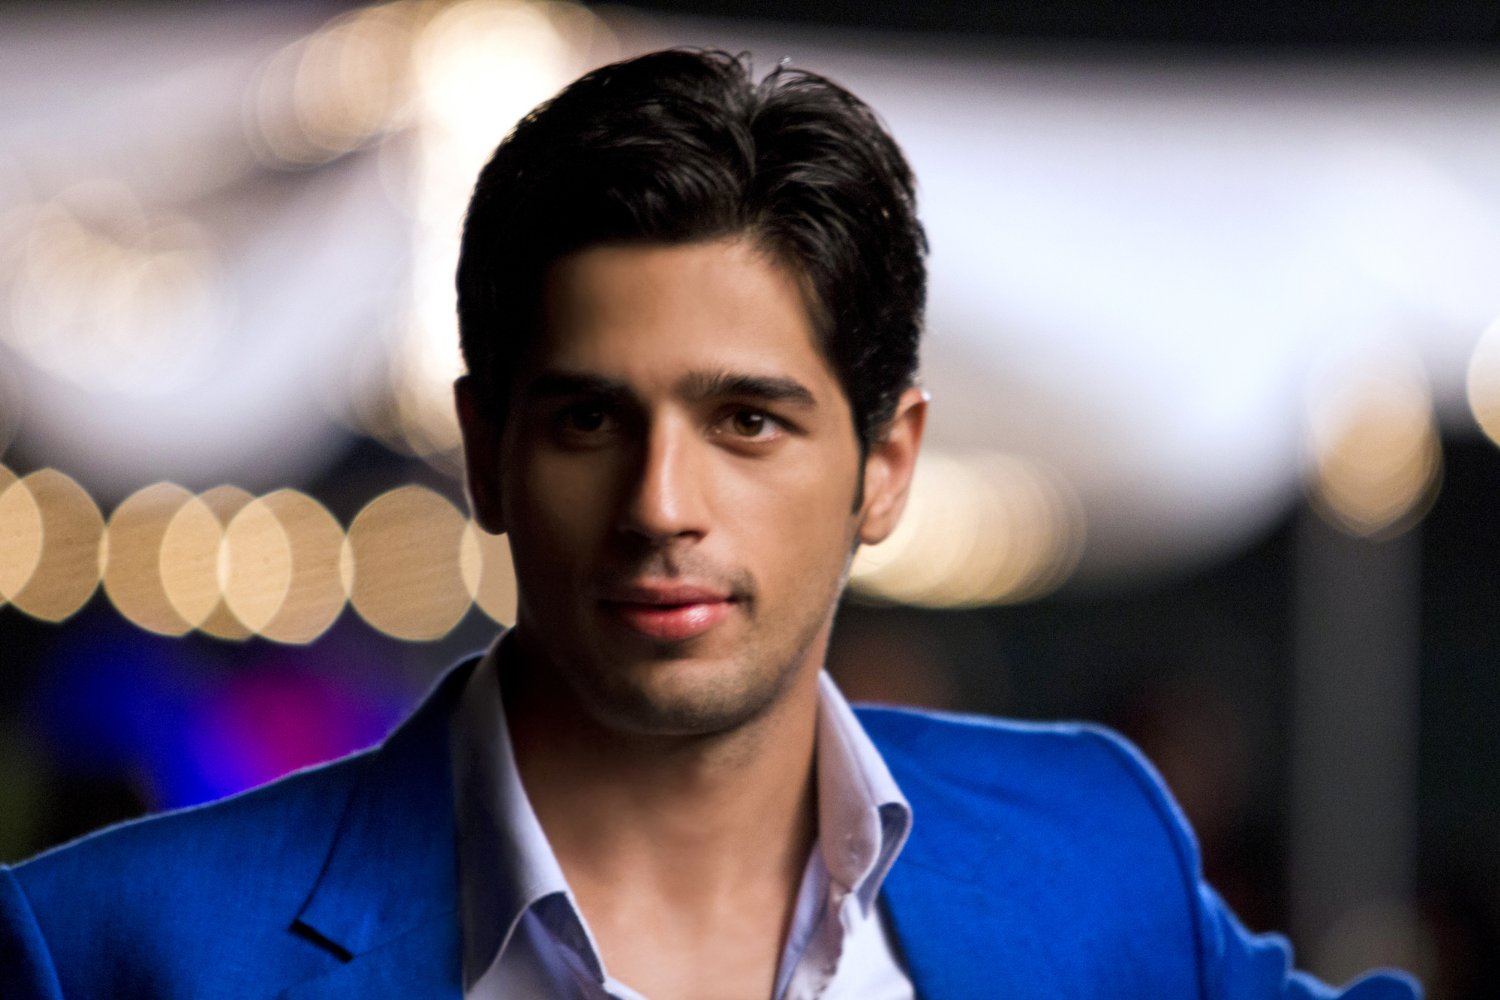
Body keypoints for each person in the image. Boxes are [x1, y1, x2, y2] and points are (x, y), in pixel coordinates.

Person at [0, 48, 1418, 1000]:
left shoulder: (1088, 847)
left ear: (886, 466)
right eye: (589, 420)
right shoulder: (115, 948)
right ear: (487, 454)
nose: (660, 507)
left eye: (746, 421)